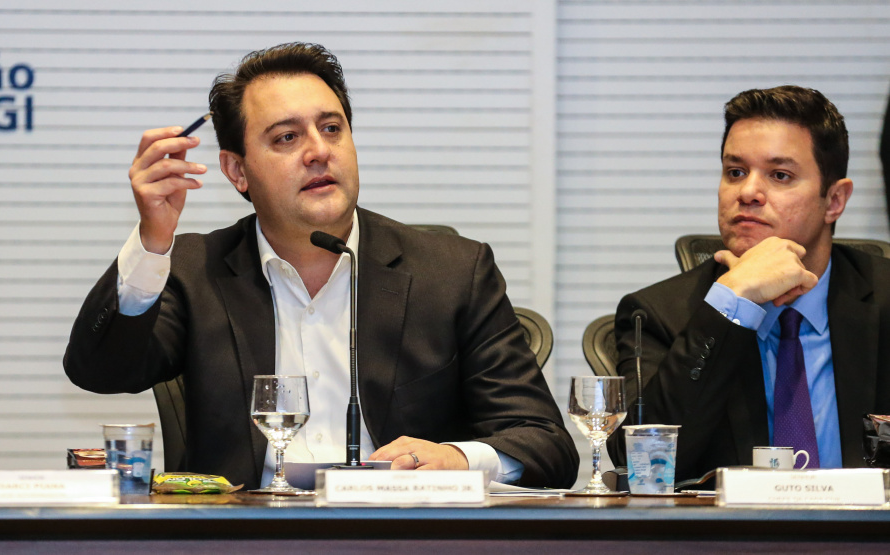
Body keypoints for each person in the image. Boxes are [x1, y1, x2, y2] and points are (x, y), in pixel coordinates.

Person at [63, 42, 578, 490]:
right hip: (242, 540)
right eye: (286, 137)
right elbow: (100, 371)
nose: (318, 151)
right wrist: (153, 241)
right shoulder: (194, 270)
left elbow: (547, 444)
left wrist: (460, 458)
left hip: (406, 536)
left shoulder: (451, 272)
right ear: (237, 170)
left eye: (332, 128)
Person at [609, 85, 890, 483]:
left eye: (780, 175)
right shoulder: (660, 314)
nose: (748, 192)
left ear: (834, 201)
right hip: (730, 542)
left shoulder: (884, 298)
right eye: (735, 172)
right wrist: (732, 303)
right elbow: (640, 466)